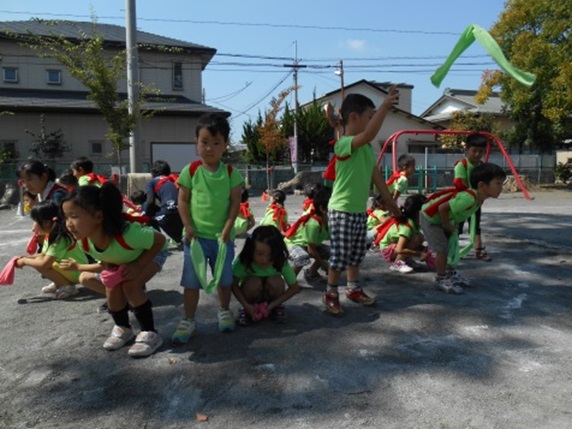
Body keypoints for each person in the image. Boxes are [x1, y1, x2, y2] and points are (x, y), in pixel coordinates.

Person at [59, 183, 168, 357]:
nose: (69, 223)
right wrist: (106, 269)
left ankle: (150, 333)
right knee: (112, 285)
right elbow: (107, 260)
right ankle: (124, 328)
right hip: (127, 257)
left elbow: (160, 241)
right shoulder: (85, 242)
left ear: (98, 216)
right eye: (66, 217)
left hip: (152, 252)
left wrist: (138, 265)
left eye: (74, 216)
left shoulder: (129, 234)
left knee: (130, 285)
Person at [324, 90, 401, 316]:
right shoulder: (344, 144)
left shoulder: (365, 148)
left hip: (358, 210)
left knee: (356, 253)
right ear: (354, 117)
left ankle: (353, 288)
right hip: (341, 210)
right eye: (370, 116)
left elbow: (376, 176)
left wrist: (391, 203)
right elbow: (367, 135)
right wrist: (385, 107)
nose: (371, 122)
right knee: (340, 255)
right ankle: (330, 293)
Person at [171, 113, 244, 344]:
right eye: (204, 142)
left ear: (225, 145)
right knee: (191, 283)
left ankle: (223, 310)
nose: (209, 148)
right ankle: (189, 320)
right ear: (196, 143)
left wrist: (228, 228)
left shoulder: (232, 174)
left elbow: (235, 203)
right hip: (196, 239)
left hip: (223, 239)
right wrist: (188, 228)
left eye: (216, 143)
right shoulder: (190, 171)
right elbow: (182, 201)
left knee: (224, 279)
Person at [420, 162, 506, 294]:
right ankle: (440, 278)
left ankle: (449, 273)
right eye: (498, 183)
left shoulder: (479, 199)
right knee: (442, 248)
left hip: (443, 219)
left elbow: (458, 213)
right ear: (482, 185)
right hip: (430, 218)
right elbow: (442, 208)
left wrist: (452, 224)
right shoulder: (469, 198)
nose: (501, 188)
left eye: (502, 184)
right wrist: (447, 225)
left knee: (451, 248)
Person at [15, 200, 88, 298]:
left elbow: (44, 263)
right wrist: (26, 257)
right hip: (71, 269)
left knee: (43, 265)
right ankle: (60, 282)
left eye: (35, 222)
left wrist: (25, 261)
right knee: (40, 260)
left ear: (46, 223)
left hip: (76, 271)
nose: (33, 227)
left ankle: (66, 286)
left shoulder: (60, 239)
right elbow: (44, 254)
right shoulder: (50, 235)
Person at [231, 225, 300, 325]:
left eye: (270, 255)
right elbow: (233, 284)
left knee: (275, 280)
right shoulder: (244, 260)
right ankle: (247, 310)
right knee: (253, 282)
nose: (264, 260)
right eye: (260, 254)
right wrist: (246, 305)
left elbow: (294, 288)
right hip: (250, 297)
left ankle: (277, 308)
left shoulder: (280, 262)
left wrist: (272, 305)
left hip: (272, 298)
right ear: (251, 249)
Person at [454, 133, 491, 261]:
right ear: (467, 150)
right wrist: (472, 196)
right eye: (474, 151)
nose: (477, 154)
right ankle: (452, 249)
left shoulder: (481, 166)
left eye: (480, 151)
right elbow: (460, 184)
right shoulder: (462, 165)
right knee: (456, 228)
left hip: (476, 204)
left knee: (475, 227)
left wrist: (481, 198)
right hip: (462, 203)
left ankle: (479, 250)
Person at [284, 186, 331, 283]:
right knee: (302, 257)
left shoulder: (325, 217)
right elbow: (311, 250)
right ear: (322, 208)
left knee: (331, 252)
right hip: (293, 244)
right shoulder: (313, 224)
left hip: (309, 244)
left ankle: (311, 273)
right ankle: (291, 282)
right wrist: (324, 265)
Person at [377, 194, 428, 274]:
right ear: (418, 212)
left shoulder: (414, 223)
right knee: (416, 238)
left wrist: (424, 250)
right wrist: (419, 253)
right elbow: (399, 249)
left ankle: (405, 259)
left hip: (395, 246)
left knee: (420, 237)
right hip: (388, 250)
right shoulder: (407, 226)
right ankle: (397, 263)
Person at [144, 160, 184, 245]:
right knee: (180, 237)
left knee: (145, 206)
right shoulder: (174, 178)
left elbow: (150, 201)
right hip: (182, 213)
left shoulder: (152, 182)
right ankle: (180, 238)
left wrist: (145, 217)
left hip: (167, 214)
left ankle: (158, 241)